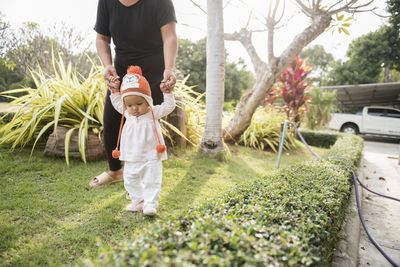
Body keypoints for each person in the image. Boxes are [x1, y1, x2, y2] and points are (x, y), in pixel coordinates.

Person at [90, 0, 178, 187]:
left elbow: (169, 36)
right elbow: (102, 38)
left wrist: (169, 68)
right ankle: (116, 172)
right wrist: (107, 65)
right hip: (122, 70)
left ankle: (145, 176)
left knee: (147, 126)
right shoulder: (107, 2)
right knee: (112, 119)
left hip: (154, 71)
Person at [109, 65, 175, 215]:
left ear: (148, 101)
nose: (134, 109)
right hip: (132, 156)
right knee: (130, 180)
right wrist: (114, 91)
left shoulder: (154, 113)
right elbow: (117, 103)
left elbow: (169, 106)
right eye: (130, 105)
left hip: (151, 156)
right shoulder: (128, 114)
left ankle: (150, 204)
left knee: (152, 181)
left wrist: (168, 93)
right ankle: (139, 201)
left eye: (139, 104)